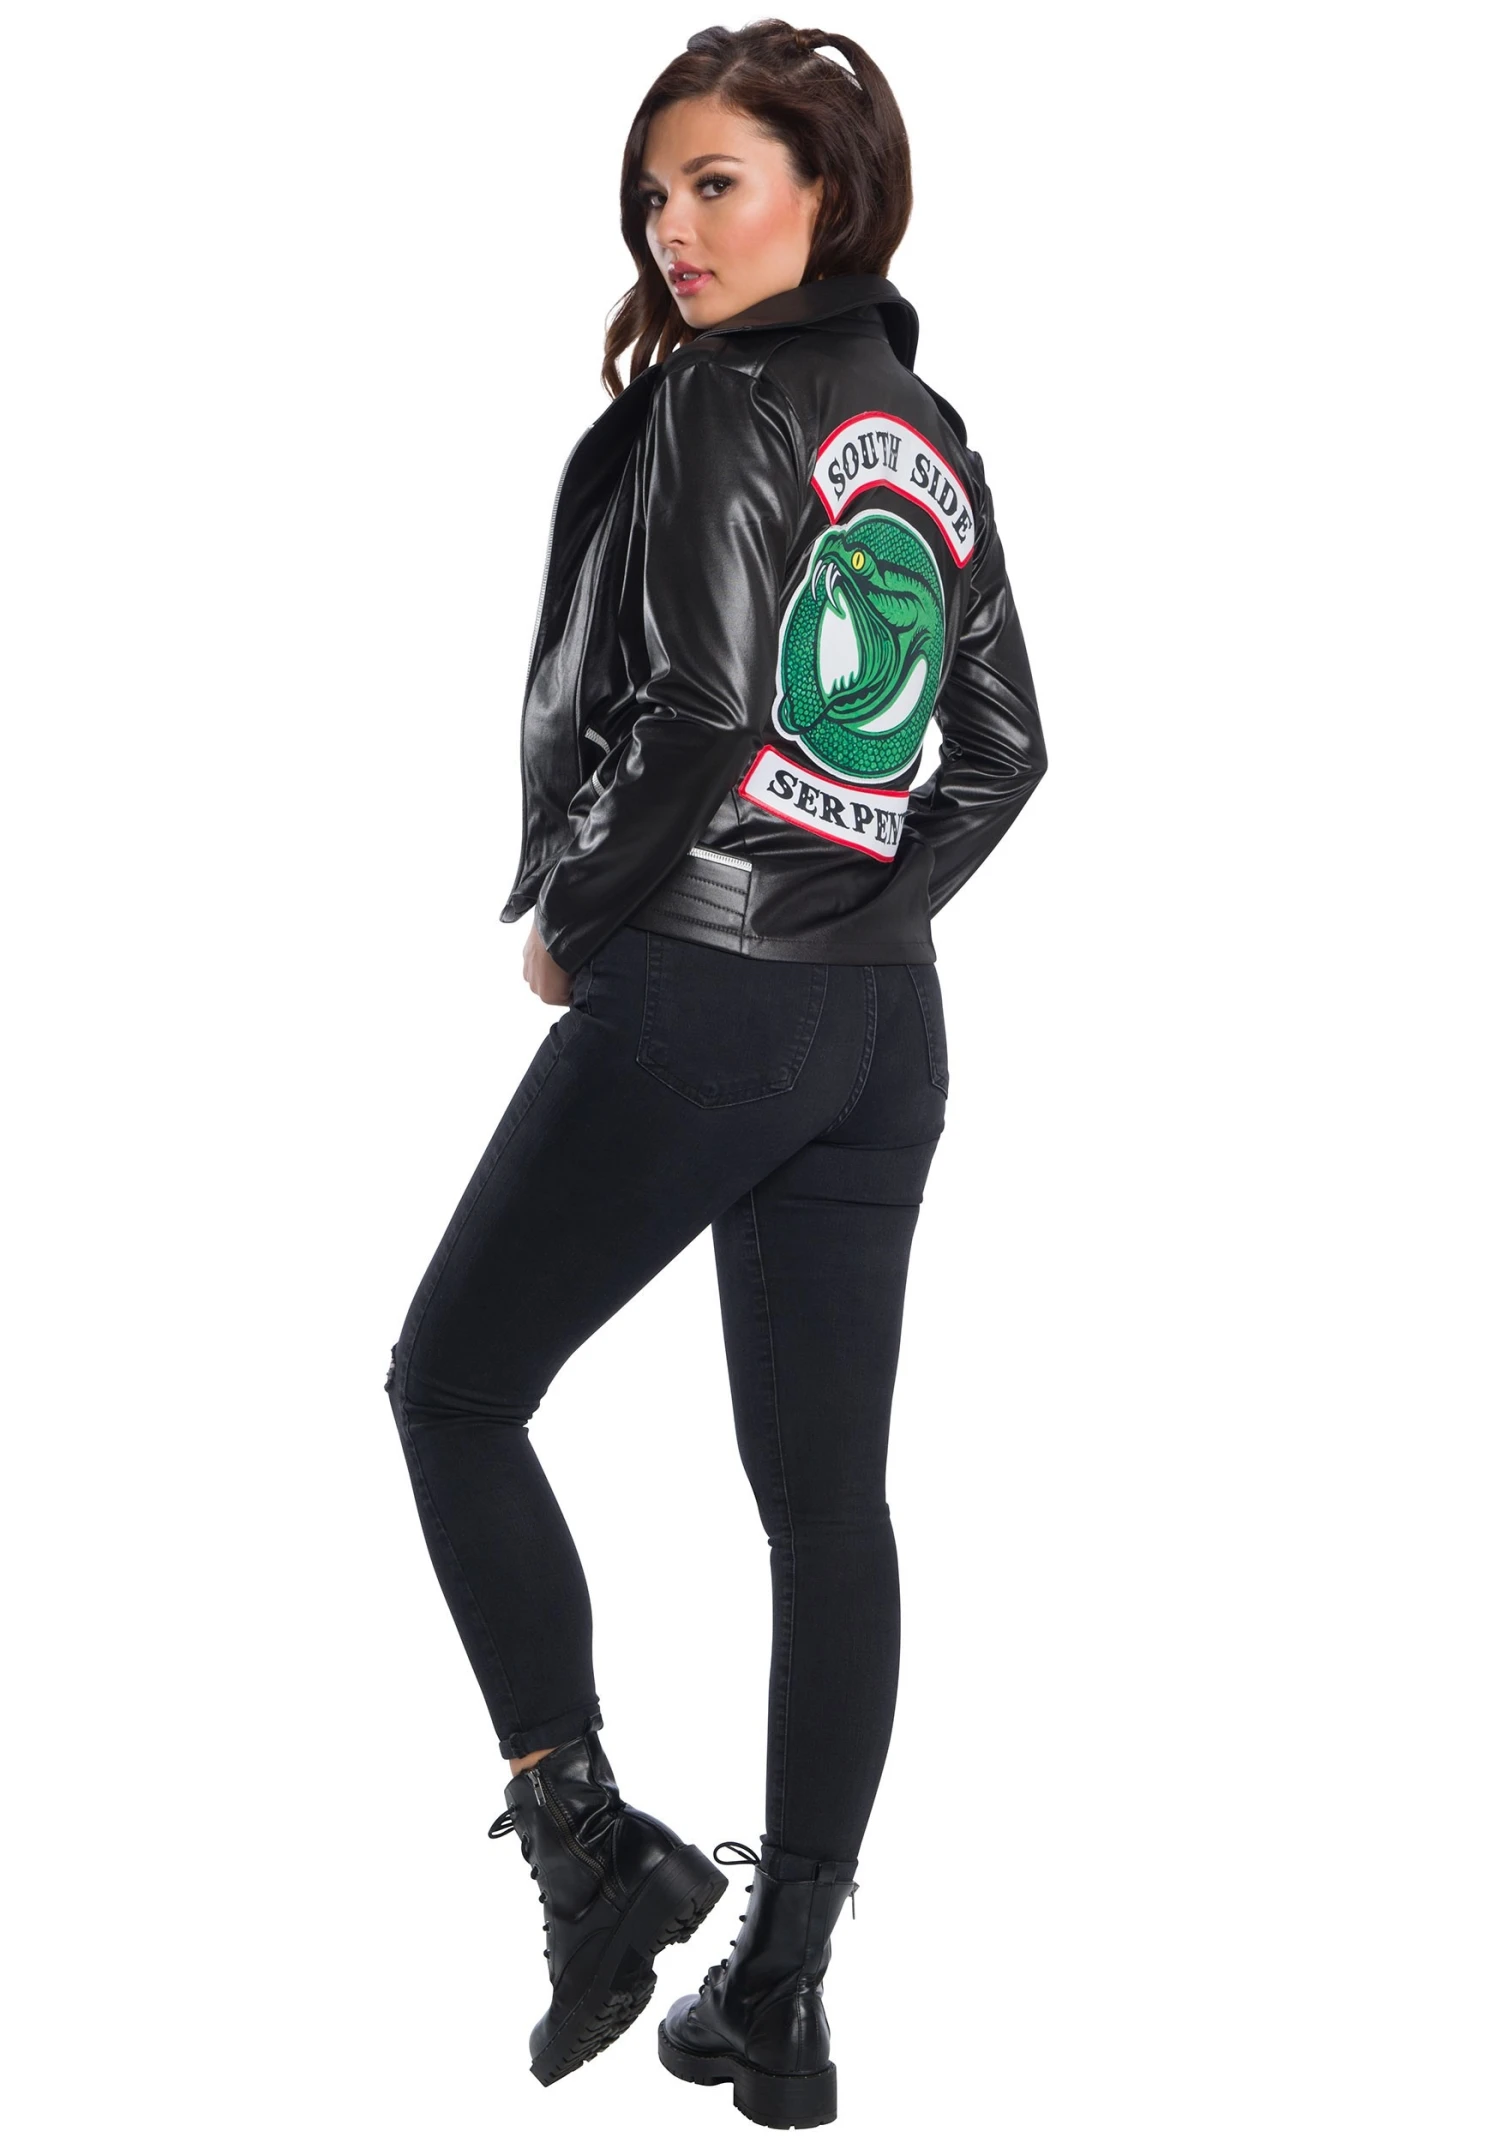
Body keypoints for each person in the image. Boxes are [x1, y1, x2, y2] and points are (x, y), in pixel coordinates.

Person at [383, 18, 1046, 2128]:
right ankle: (779, 1991)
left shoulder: (721, 404)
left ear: (825, 195)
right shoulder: (920, 424)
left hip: (707, 992)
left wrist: (580, 918)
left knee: (453, 1387)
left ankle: (597, 1854)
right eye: (654, 194)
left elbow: (689, 718)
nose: (674, 228)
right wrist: (858, 908)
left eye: (718, 183)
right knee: (830, 1507)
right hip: (883, 1025)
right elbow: (1006, 751)